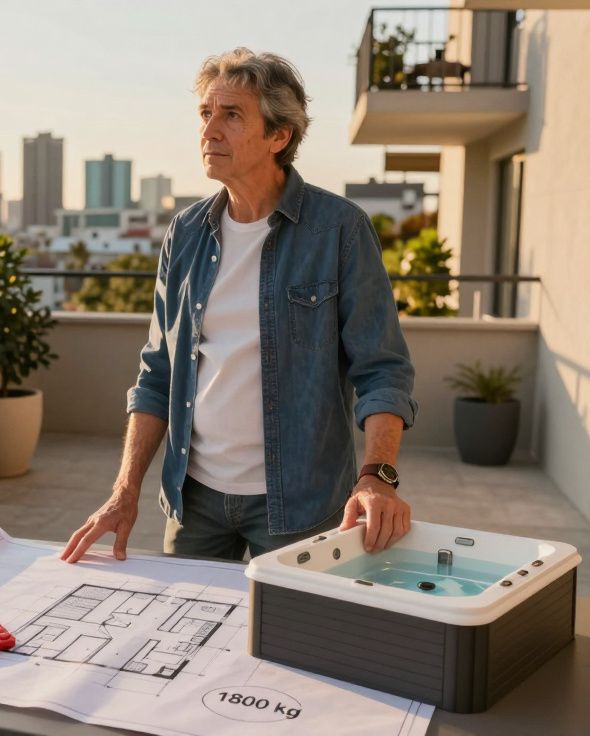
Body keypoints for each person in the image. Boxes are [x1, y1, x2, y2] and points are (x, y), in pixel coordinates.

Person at [60, 48, 418, 564]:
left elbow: (382, 369)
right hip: (194, 500)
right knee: (184, 638)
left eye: (231, 115)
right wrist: (125, 490)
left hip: (302, 503)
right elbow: (157, 373)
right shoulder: (184, 234)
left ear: (280, 136)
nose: (209, 131)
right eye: (206, 114)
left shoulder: (338, 230)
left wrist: (377, 477)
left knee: (291, 642)